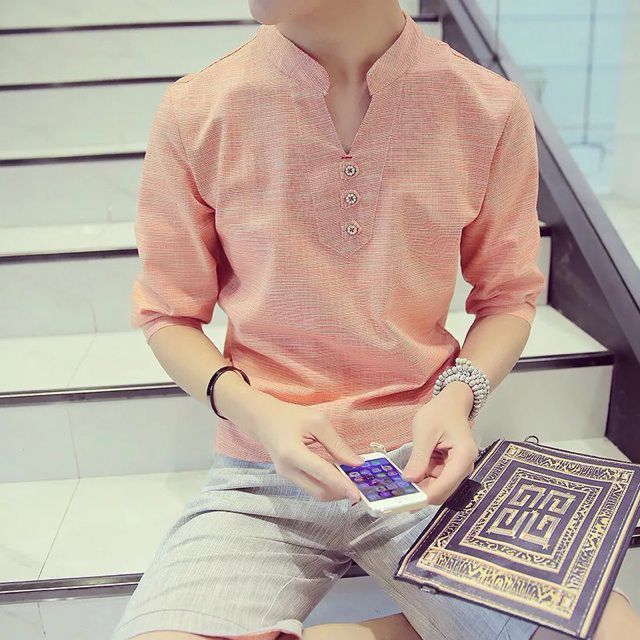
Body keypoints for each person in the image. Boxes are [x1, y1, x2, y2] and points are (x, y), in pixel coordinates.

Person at [111, 1, 639, 639]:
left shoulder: (486, 106)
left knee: (607, 628)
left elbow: (507, 297)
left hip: (421, 471)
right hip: (263, 474)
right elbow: (168, 312)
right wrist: (260, 415)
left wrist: (456, 398)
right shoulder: (198, 109)